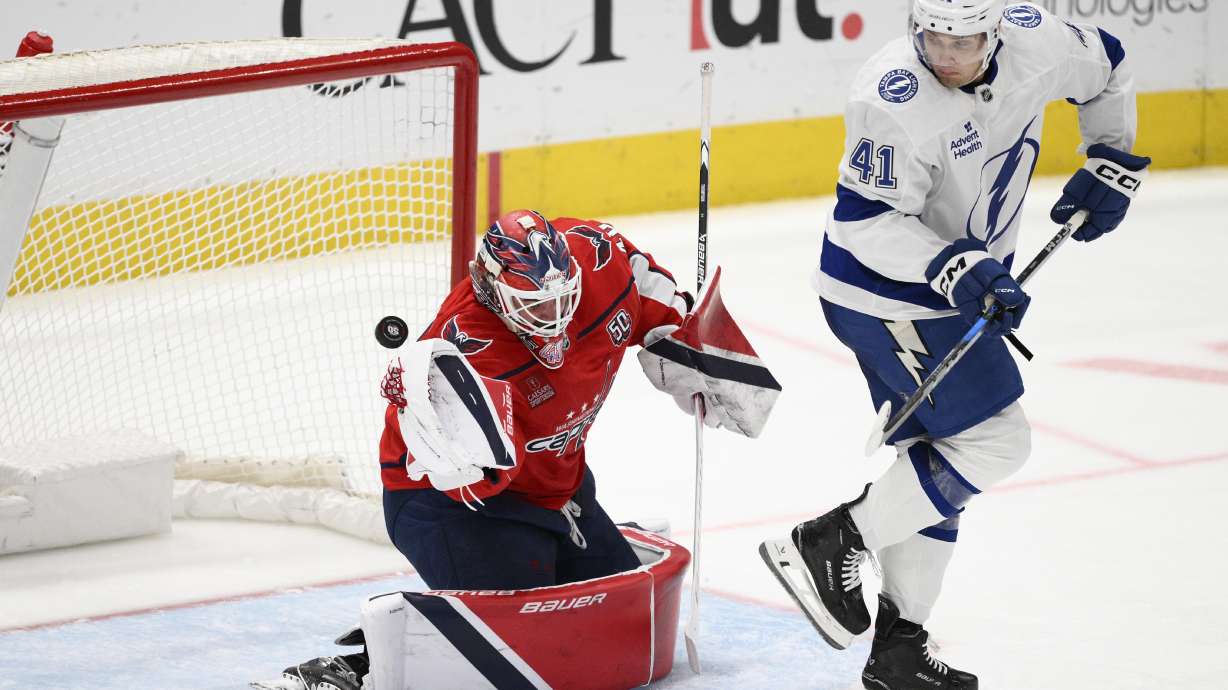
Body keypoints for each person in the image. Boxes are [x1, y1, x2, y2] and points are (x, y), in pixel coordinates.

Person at [760, 2, 1149, 688]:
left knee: (937, 471)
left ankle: (900, 651)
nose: (945, 53)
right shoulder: (891, 97)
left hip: (945, 290)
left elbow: (1109, 64)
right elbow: (866, 223)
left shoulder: (1042, 42)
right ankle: (830, 541)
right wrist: (960, 266)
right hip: (883, 294)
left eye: (963, 40)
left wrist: (1111, 155)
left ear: (997, 33)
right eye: (932, 36)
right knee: (996, 441)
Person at [265, 209, 779, 690]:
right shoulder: (469, 350)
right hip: (452, 506)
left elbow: (646, 282)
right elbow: (479, 480)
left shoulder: (598, 260)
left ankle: (533, 561)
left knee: (619, 626)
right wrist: (444, 429)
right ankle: (363, 668)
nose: (555, 319)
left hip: (558, 483)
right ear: (491, 288)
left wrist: (684, 334)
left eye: (563, 300)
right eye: (535, 307)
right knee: (524, 652)